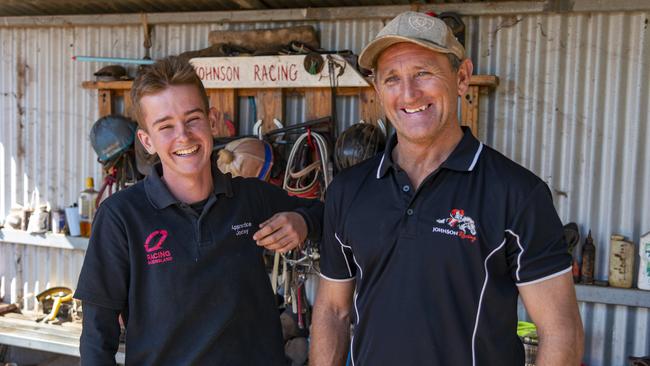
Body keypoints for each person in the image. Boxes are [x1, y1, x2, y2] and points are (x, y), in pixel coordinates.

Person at [310, 11, 583, 366]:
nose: (409, 93)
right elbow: (333, 311)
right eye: (392, 78)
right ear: (377, 89)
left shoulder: (516, 194)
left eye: (423, 73)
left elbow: (562, 332)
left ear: (462, 77)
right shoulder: (348, 191)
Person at [74, 56, 323, 365]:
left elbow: (329, 215)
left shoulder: (250, 198)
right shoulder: (121, 217)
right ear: (147, 140)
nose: (183, 135)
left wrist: (304, 220)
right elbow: (97, 335)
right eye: (165, 126)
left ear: (212, 120)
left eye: (193, 119)